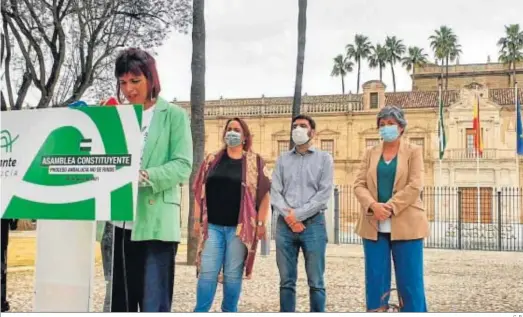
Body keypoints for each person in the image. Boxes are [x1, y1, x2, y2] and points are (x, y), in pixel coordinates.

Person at [103, 47, 193, 312]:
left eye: (135, 81)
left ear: (151, 79)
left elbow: (183, 165)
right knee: (121, 303)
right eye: (123, 82)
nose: (129, 89)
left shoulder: (173, 115)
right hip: (119, 224)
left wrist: (145, 176)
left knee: (154, 303)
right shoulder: (117, 117)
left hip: (156, 225)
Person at [353, 105, 429, 312]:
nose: (386, 128)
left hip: (407, 226)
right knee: (375, 280)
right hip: (373, 226)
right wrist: (372, 206)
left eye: (391, 124)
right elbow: (359, 184)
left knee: (410, 282)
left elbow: (415, 185)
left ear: (401, 127)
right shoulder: (370, 153)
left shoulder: (414, 151)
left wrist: (389, 207)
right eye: (382, 124)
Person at [192, 118, 271, 312]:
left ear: (245, 137)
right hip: (213, 227)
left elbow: (264, 195)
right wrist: (196, 220)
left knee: (232, 275)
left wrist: (261, 224)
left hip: (240, 229)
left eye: (237, 129)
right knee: (207, 273)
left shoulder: (255, 162)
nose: (232, 132)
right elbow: (198, 192)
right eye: (229, 129)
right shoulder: (211, 160)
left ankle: (229, 311)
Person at [271, 114, 334, 312]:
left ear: (312, 132)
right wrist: (289, 217)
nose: (298, 129)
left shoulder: (325, 159)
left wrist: (296, 215)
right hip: (284, 226)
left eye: (303, 126)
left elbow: (323, 194)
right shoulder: (282, 159)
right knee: (286, 281)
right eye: (295, 126)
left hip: (313, 225)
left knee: (316, 281)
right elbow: (275, 191)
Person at [1, 219, 17, 312]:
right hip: (2, 244)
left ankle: (2, 301)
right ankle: (2, 300)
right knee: (2, 272)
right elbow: (13, 226)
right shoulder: (5, 207)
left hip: (2, 243)